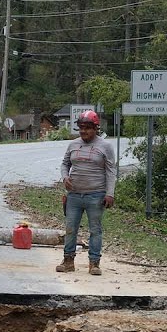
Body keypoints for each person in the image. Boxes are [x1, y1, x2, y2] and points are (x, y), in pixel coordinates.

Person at [57, 109, 116, 275]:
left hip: (96, 195)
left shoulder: (105, 146)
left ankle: (94, 263)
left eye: (88, 128)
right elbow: (65, 164)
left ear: (96, 128)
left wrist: (110, 193)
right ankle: (68, 261)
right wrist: (64, 177)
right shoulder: (73, 144)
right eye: (81, 128)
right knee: (70, 228)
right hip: (74, 195)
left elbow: (111, 171)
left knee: (95, 229)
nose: (84, 131)